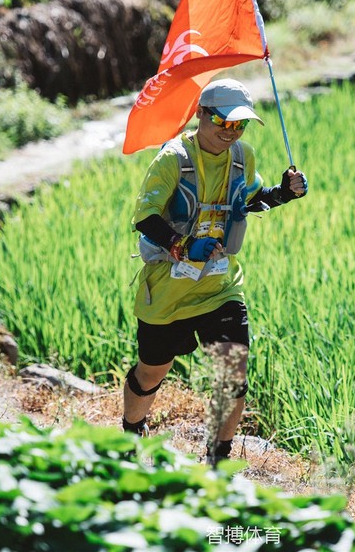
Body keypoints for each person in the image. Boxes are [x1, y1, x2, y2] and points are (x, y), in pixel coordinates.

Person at [122, 78, 308, 464]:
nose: (231, 132)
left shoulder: (243, 156)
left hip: (220, 286)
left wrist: (284, 193)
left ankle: (217, 463)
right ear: (201, 114)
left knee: (233, 373)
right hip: (168, 288)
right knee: (152, 373)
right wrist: (185, 247)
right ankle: (132, 437)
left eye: (239, 125)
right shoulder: (173, 158)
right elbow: (145, 218)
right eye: (224, 123)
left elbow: (250, 201)